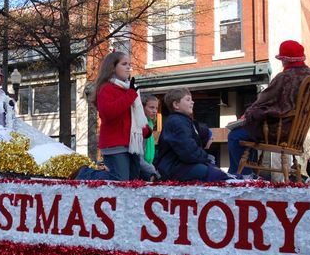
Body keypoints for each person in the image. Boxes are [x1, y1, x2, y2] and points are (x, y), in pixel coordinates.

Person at [228, 40, 310, 176]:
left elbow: (262, 102)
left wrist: (249, 114)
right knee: (248, 132)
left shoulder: (284, 77)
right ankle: (249, 174)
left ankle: (241, 176)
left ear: (284, 60)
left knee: (235, 135)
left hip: (278, 133)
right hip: (296, 135)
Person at [89, 51, 152, 181]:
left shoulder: (129, 89)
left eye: (129, 64)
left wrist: (144, 130)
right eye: (124, 64)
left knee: (133, 182)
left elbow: (133, 118)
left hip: (131, 145)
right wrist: (130, 95)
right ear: (112, 67)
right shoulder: (107, 89)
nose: (128, 67)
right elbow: (108, 113)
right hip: (115, 145)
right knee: (120, 181)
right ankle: (87, 174)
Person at [154, 88, 231, 182]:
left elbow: (195, 138)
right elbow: (188, 151)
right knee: (212, 174)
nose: (192, 102)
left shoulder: (184, 121)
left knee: (215, 171)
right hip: (173, 168)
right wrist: (206, 158)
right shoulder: (176, 122)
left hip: (180, 165)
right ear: (176, 105)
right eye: (188, 99)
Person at [140, 95, 161, 181]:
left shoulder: (150, 124)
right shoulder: (141, 127)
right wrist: (153, 171)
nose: (155, 111)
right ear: (142, 107)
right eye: (151, 107)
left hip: (148, 164)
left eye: (156, 108)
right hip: (141, 168)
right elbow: (139, 159)